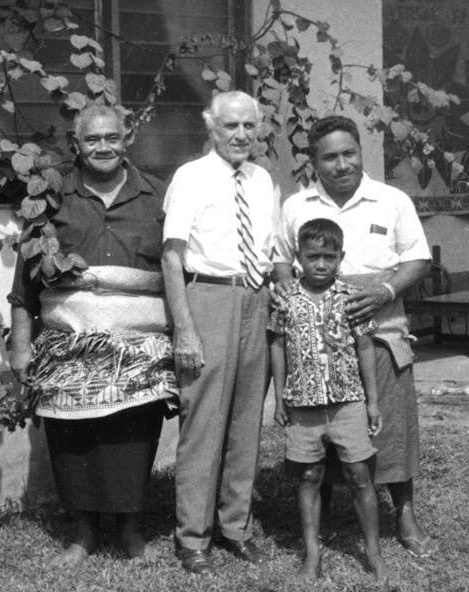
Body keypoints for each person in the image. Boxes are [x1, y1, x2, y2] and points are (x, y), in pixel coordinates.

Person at [8, 103, 176, 567]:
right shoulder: (51, 201)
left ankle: (131, 530)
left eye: (112, 138)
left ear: (127, 142)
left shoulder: (157, 197)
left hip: (137, 347)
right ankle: (83, 533)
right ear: (76, 145)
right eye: (93, 140)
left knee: (133, 437)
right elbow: (25, 283)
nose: (104, 147)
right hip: (68, 344)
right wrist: (21, 346)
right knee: (72, 439)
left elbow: (175, 271)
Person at [273, 114, 435, 557]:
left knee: (392, 424)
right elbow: (282, 261)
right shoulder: (297, 205)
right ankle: (322, 514)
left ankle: (403, 513)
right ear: (314, 161)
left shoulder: (391, 199)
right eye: (329, 157)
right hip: (318, 343)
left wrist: (383, 291)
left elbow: (417, 259)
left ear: (361, 151)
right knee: (321, 420)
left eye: (349, 153)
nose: (341, 164)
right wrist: (293, 296)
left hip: (381, 329)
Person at [161, 90, 274, 574]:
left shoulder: (263, 179)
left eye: (249, 126)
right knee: (204, 421)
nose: (241, 135)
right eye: (231, 126)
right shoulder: (191, 176)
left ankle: (235, 527)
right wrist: (184, 329)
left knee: (247, 420)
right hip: (208, 296)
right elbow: (171, 256)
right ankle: (192, 538)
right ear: (211, 127)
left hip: (256, 298)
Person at [269, 218, 388, 582]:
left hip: (347, 401)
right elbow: (276, 346)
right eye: (313, 256)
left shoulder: (350, 297)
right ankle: (312, 555)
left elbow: (365, 347)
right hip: (303, 404)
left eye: (329, 257)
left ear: (341, 257)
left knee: (359, 475)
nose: (321, 264)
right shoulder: (286, 299)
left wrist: (372, 401)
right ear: (298, 258)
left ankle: (373, 552)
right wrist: (279, 398)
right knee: (309, 475)